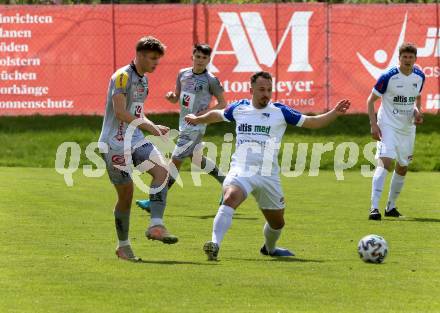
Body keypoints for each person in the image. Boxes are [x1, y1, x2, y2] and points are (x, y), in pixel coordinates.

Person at [184, 71, 351, 261]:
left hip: (268, 175)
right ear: (251, 90)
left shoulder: (280, 111)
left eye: (269, 89)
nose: (266, 93)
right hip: (242, 169)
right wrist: (198, 119)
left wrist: (334, 113)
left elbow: (312, 122)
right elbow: (217, 115)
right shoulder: (239, 108)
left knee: (277, 223)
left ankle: (269, 248)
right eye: (262, 89)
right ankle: (214, 244)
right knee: (230, 197)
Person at [98, 36, 178, 262]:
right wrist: (150, 128)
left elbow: (137, 112)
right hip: (114, 143)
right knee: (126, 196)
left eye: (157, 59)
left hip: (136, 139)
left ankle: (156, 225)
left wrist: (152, 126)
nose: (155, 63)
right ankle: (123, 246)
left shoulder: (143, 81)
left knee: (163, 171)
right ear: (140, 55)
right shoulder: (122, 77)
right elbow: (121, 112)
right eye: (152, 58)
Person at [136, 43, 227, 211]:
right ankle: (227, 184)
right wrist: (171, 97)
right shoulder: (183, 74)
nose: (200, 60)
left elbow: (222, 104)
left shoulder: (211, 80)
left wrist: (200, 116)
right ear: (192, 56)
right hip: (184, 125)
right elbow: (176, 97)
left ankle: (154, 201)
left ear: (208, 60)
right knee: (197, 160)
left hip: (195, 127)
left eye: (204, 58)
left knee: (173, 164)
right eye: (198, 56)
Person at [367, 43, 425, 221]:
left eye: (411, 57)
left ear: (415, 59)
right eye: (404, 57)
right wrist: (373, 125)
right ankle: (374, 208)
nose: (407, 60)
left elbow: (417, 97)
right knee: (385, 162)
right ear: (399, 59)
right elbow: (370, 100)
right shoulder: (388, 77)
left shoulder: (420, 76)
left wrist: (417, 112)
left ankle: (391, 206)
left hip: (407, 128)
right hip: (388, 125)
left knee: (403, 166)